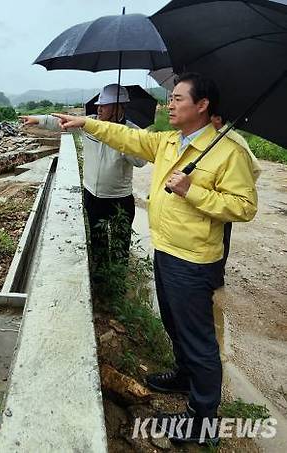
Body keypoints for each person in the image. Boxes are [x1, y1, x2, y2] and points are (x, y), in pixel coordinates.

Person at [52, 73, 258, 445]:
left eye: (178, 98)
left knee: (198, 338)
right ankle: (183, 374)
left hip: (193, 259)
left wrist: (193, 191)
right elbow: (129, 137)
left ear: (203, 105)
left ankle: (201, 419)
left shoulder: (230, 151)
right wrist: (85, 122)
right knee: (173, 321)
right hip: (165, 248)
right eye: (170, 98)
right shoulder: (170, 142)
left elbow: (244, 208)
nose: (170, 105)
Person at [20, 84, 147, 279]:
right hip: (93, 196)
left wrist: (122, 140)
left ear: (118, 107)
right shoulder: (90, 124)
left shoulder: (133, 132)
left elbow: (140, 161)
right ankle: (100, 282)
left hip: (119, 198)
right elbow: (61, 122)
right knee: (98, 243)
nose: (99, 109)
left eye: (104, 105)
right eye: (99, 105)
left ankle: (119, 285)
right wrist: (37, 119)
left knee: (121, 244)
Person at [210, 114, 262, 287]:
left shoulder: (234, 140)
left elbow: (255, 169)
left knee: (222, 237)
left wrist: (235, 187)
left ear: (217, 118)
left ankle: (217, 276)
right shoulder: (211, 137)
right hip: (208, 200)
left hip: (224, 200)